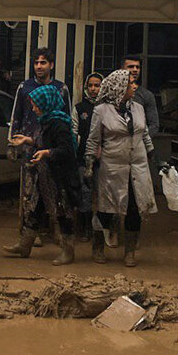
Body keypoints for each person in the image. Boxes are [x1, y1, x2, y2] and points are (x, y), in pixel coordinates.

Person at [84, 69, 161, 267]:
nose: (133, 87)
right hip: (112, 168)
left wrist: (153, 155)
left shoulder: (138, 108)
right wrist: (89, 164)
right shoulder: (101, 110)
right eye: (129, 85)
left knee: (135, 208)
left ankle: (130, 253)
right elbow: (93, 139)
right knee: (107, 210)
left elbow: (144, 135)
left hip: (137, 166)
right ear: (119, 87)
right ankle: (98, 247)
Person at [3, 84, 81, 264]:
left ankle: (68, 251)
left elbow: (66, 150)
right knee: (36, 207)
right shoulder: (47, 120)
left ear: (46, 103)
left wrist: (46, 153)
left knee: (63, 212)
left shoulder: (59, 124)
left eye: (36, 105)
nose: (33, 108)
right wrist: (28, 140)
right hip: (47, 175)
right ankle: (25, 245)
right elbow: (43, 141)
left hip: (61, 177)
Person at [9, 48, 72, 244]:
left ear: (51, 65)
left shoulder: (61, 89)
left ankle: (56, 230)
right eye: (36, 62)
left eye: (43, 62)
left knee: (54, 190)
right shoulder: (24, 87)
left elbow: (67, 118)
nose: (39, 66)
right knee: (29, 192)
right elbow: (16, 116)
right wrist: (11, 144)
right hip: (30, 149)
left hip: (53, 150)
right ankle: (29, 234)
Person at [73, 72, 103, 243]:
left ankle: (101, 230)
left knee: (102, 195)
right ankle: (85, 229)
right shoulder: (79, 108)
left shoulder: (108, 108)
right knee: (84, 193)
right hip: (82, 159)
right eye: (90, 85)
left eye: (97, 85)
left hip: (102, 160)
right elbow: (74, 132)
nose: (93, 89)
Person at [121, 56, 159, 136]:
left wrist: (140, 141)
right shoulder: (112, 93)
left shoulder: (146, 95)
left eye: (137, 67)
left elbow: (154, 125)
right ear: (122, 69)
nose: (135, 70)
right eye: (130, 67)